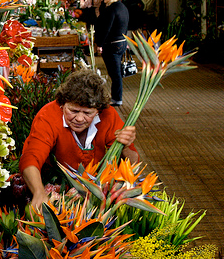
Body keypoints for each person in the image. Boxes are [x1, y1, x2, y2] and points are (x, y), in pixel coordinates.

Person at [19, 70, 139, 209]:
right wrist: (39, 192)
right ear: (62, 104)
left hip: (96, 188)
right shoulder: (48, 116)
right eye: (73, 111)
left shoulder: (109, 115)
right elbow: (31, 158)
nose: (80, 119)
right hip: (57, 185)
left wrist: (125, 145)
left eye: (88, 113)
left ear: (98, 110)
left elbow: (133, 162)